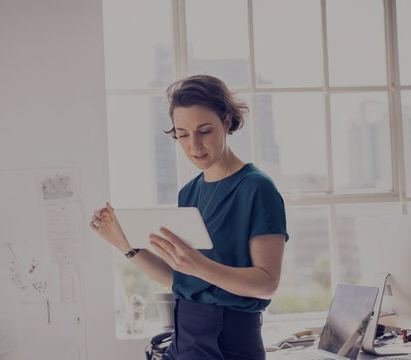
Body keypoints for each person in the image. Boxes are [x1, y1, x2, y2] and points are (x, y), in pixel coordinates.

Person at [90, 75, 289, 360]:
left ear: (228, 123)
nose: (194, 145)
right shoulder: (189, 192)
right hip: (185, 339)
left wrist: (200, 266)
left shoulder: (256, 188)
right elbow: (180, 280)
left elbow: (267, 282)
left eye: (204, 131)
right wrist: (125, 246)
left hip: (230, 344)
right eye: (182, 134)